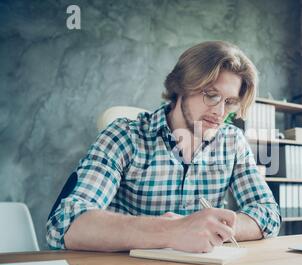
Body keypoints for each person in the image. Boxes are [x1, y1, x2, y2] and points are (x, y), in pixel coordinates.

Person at [46, 40, 281, 253]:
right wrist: (174, 231)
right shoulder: (124, 135)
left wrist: (213, 228)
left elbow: (268, 214)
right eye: (211, 95)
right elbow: (65, 224)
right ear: (181, 87)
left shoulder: (232, 141)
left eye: (230, 102)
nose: (220, 113)